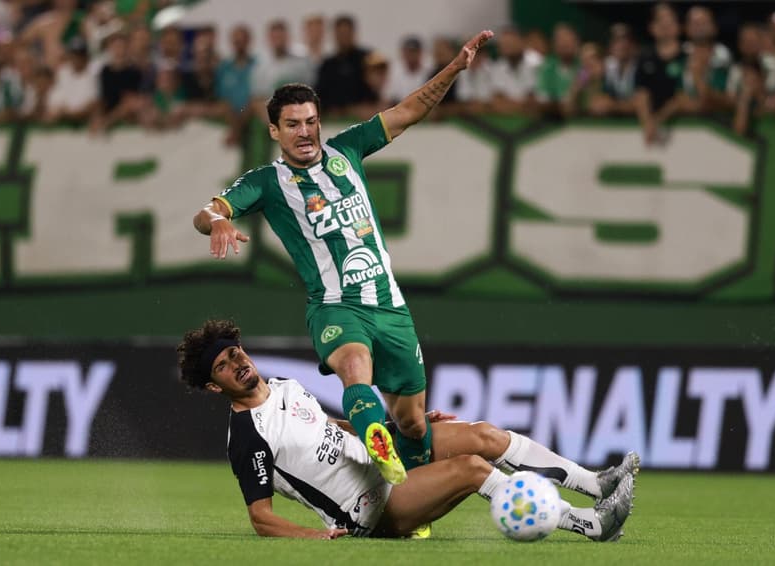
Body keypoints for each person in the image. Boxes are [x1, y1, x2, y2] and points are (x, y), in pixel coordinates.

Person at [193, 30, 495, 491]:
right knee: (355, 366)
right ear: (274, 131)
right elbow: (208, 210)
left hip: (389, 306)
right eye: (292, 124)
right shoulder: (267, 183)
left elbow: (410, 110)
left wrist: (454, 68)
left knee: (414, 424)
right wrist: (217, 221)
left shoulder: (349, 149)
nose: (305, 132)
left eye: (311, 122)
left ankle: (403, 482)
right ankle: (376, 440)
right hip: (335, 305)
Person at [176, 319, 639, 539]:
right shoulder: (248, 438)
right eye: (222, 365)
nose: (237, 364)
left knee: (481, 435)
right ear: (214, 387)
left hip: (382, 464)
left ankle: (594, 483)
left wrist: (394, 432)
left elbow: (329, 427)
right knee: (473, 468)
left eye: (235, 353)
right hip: (370, 509)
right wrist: (318, 537)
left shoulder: (284, 386)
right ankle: (593, 525)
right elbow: (261, 518)